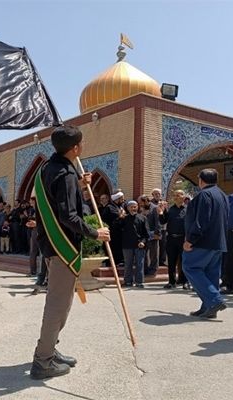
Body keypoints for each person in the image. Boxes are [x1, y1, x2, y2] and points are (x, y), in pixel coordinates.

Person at [31, 125, 110, 380]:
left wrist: (79, 183)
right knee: (57, 304)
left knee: (62, 302)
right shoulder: (63, 173)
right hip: (61, 247)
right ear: (75, 148)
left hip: (50, 245)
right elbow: (68, 216)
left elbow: (57, 199)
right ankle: (43, 361)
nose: (83, 146)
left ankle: (50, 349)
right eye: (82, 143)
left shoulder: (49, 168)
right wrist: (95, 233)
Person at [182, 168, 229, 319]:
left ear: (201, 180)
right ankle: (208, 308)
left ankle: (215, 300)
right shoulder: (222, 194)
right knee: (211, 274)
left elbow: (201, 220)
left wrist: (191, 239)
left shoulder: (204, 194)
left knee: (191, 267)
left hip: (203, 242)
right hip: (218, 241)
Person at [160, 190, 188, 288]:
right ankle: (172, 282)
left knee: (184, 261)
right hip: (171, 239)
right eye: (175, 195)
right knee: (171, 261)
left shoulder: (188, 209)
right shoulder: (170, 210)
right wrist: (160, 212)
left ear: (184, 197)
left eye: (178, 195)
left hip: (183, 239)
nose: (176, 197)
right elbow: (163, 221)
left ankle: (185, 282)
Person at [119, 200, 149, 288]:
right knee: (128, 264)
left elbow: (146, 234)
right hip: (127, 245)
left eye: (135, 206)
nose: (133, 208)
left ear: (137, 207)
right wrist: (120, 218)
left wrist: (143, 242)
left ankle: (139, 282)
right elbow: (117, 229)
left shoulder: (142, 218)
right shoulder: (124, 218)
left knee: (140, 264)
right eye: (131, 207)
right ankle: (128, 281)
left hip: (139, 245)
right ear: (127, 208)